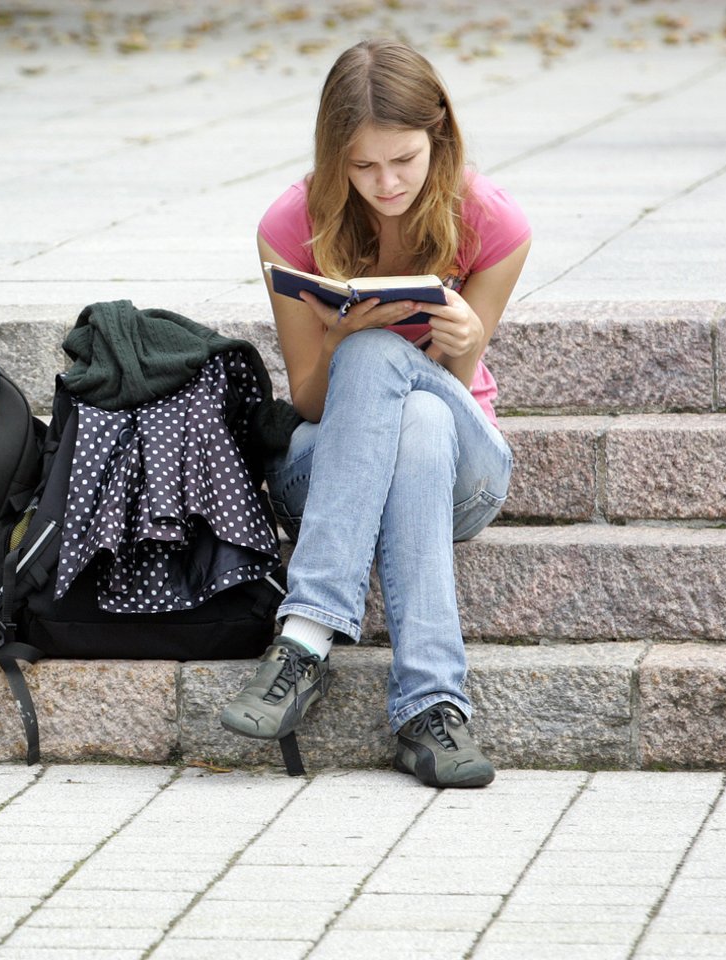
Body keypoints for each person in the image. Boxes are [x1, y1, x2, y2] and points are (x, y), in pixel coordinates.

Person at [219, 38, 531, 788]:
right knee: (386, 390)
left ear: (440, 139)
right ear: (334, 158)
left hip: (466, 474)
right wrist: (340, 337)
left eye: (404, 160)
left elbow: (459, 389)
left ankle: (302, 642)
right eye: (362, 166)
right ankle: (432, 713)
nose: (386, 183)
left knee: (425, 414)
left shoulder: (491, 222)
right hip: (328, 473)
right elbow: (311, 399)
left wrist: (464, 345)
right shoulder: (291, 225)